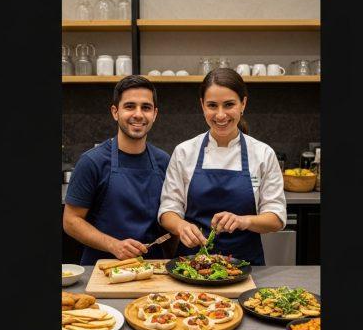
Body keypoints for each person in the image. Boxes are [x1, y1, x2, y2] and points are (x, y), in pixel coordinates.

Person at [158, 68, 286, 265]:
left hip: (245, 267)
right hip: (191, 265)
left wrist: (245, 221)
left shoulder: (262, 154)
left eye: (229, 105)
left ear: (243, 103)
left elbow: (276, 217)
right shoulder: (184, 151)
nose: (220, 115)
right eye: (212, 105)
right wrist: (182, 226)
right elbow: (168, 211)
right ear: (202, 105)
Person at [63, 75, 171, 265]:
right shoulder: (92, 161)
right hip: (102, 269)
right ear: (115, 112)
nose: (138, 114)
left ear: (155, 114)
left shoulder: (164, 161)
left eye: (145, 107)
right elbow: (71, 221)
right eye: (130, 106)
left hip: (153, 270)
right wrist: (114, 245)